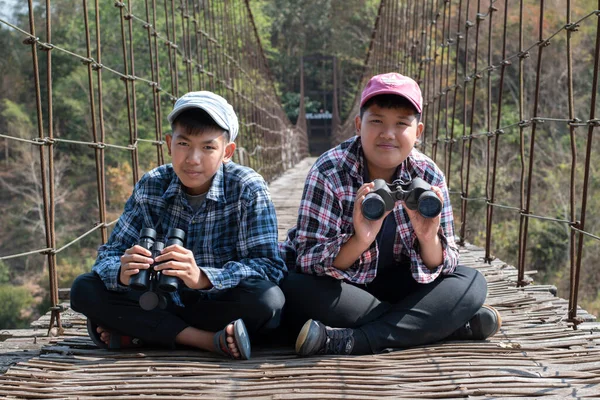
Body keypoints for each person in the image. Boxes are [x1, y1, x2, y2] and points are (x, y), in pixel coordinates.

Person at [279, 72, 501, 356]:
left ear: (418, 132)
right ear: (359, 125)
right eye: (377, 121)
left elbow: (445, 263)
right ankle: (439, 325)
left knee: (471, 282)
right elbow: (308, 260)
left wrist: (428, 237)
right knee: (291, 286)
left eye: (401, 124)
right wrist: (359, 239)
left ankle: (352, 340)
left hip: (400, 283)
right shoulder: (329, 171)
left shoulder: (428, 174)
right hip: (344, 286)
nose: (388, 133)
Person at [71, 91, 286, 360]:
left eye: (208, 147)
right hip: (160, 300)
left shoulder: (247, 188)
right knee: (83, 289)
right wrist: (122, 273)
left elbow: (269, 267)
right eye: (184, 144)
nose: (193, 159)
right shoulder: (152, 184)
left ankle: (142, 332)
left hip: (214, 303)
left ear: (227, 152)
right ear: (169, 144)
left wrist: (202, 278)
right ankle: (206, 341)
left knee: (269, 301)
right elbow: (107, 257)